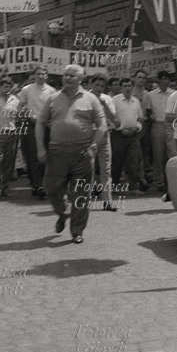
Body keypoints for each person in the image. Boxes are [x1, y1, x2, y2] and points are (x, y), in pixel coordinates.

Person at [36, 64, 106, 244]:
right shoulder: (53, 98)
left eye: (72, 75)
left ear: (80, 79)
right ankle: (62, 213)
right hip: (56, 153)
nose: (67, 77)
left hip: (82, 153)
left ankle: (77, 230)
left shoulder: (91, 99)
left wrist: (93, 147)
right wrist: (41, 148)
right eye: (65, 74)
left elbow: (102, 126)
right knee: (52, 189)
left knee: (81, 194)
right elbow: (40, 123)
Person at [17, 66, 56, 199]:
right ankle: (37, 185)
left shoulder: (52, 91)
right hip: (31, 125)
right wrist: (26, 114)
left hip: (46, 126)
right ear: (34, 76)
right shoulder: (26, 89)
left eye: (43, 74)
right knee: (33, 155)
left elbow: (54, 109)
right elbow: (20, 107)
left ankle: (42, 184)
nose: (40, 76)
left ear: (47, 76)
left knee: (45, 155)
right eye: (38, 74)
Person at [111, 77, 149, 196]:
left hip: (133, 136)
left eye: (129, 86)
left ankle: (133, 187)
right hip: (118, 135)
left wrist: (137, 127)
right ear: (121, 88)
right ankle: (113, 186)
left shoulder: (135, 101)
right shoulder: (114, 100)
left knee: (133, 162)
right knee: (117, 162)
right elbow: (111, 118)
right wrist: (121, 129)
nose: (127, 88)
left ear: (132, 87)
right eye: (125, 86)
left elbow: (140, 118)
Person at [90, 73, 119, 211]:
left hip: (104, 136)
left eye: (102, 86)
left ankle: (107, 201)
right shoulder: (84, 97)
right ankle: (84, 200)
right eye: (97, 85)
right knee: (87, 169)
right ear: (91, 84)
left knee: (106, 170)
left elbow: (115, 120)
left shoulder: (107, 99)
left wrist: (104, 105)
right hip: (89, 136)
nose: (99, 88)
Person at [147, 70, 177, 192]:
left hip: (171, 125)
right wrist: (151, 116)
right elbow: (148, 111)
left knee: (173, 154)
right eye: (163, 78)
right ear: (158, 80)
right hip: (157, 125)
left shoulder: (174, 94)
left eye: (168, 79)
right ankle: (159, 182)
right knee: (158, 155)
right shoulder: (151, 95)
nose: (166, 81)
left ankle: (174, 181)